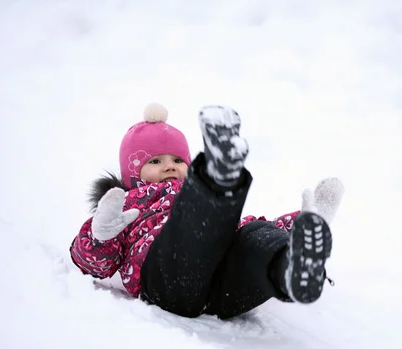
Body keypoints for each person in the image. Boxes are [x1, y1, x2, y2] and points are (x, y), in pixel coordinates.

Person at [69, 103, 344, 319]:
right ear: (132, 172)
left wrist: (298, 224)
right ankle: (219, 176)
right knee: (193, 224)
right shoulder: (126, 204)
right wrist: (99, 237)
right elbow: (93, 265)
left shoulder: (190, 195)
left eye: (178, 159)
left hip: (223, 290)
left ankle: (290, 266)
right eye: (155, 160)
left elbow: (245, 232)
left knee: (252, 234)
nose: (170, 166)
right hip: (170, 281)